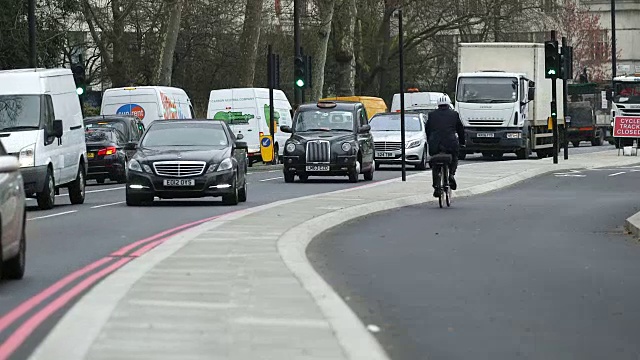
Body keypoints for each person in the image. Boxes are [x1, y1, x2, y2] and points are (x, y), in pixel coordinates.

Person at [426, 95, 465, 197]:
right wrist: (462, 142)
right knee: (455, 157)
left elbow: (428, 130)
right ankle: (451, 174)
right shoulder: (454, 114)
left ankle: (436, 186)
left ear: (438, 105)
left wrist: (430, 140)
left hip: (435, 144)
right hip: (450, 143)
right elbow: (460, 130)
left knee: (435, 163)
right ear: (448, 104)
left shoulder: (431, 115)